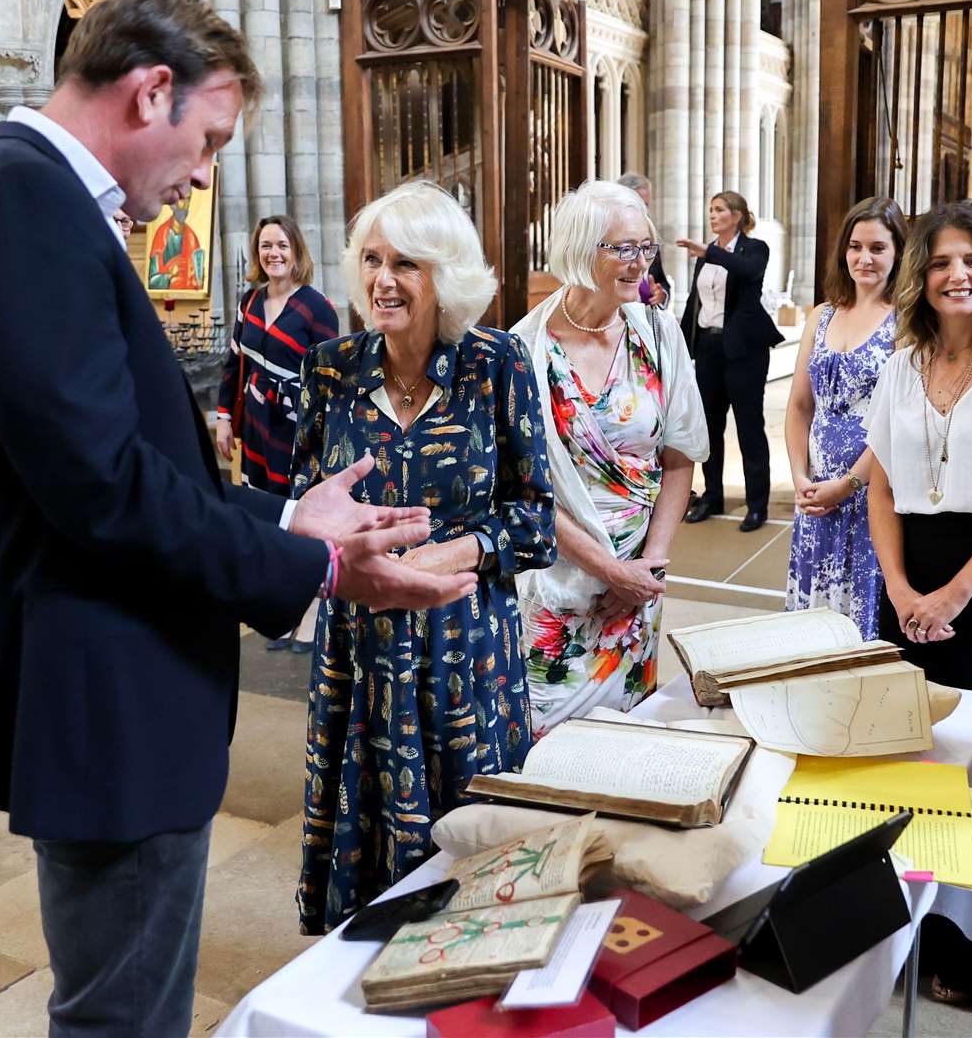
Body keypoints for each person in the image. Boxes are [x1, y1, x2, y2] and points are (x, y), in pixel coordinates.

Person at [0, 0, 476, 1036]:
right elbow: (102, 489)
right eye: (209, 136)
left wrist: (285, 519)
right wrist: (316, 568)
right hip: (105, 697)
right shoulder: (20, 200)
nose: (208, 170)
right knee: (125, 1018)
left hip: (111, 689)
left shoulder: (17, 196)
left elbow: (109, 466)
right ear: (150, 90)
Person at [294, 181, 556, 931]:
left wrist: (446, 557)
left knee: (473, 841)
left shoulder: (496, 364)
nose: (383, 280)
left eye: (406, 263)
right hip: (361, 646)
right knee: (368, 817)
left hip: (464, 647)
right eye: (372, 260)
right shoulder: (330, 370)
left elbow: (535, 519)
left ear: (447, 275)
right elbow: (302, 506)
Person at [512, 181, 708, 734]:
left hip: (640, 585)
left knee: (625, 734)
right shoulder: (523, 350)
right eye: (621, 248)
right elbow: (524, 488)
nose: (638, 263)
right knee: (548, 738)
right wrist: (608, 570)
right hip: (561, 578)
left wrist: (650, 565)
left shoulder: (658, 333)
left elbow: (678, 456)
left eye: (645, 248)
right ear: (579, 247)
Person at [865, 202, 972, 693]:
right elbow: (881, 490)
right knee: (904, 730)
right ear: (921, 277)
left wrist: (956, 595)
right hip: (907, 579)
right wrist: (898, 591)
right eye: (941, 263)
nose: (957, 275)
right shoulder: (900, 367)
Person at [214, 214, 339, 651]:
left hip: (299, 430)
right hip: (256, 427)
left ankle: (309, 614)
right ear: (258, 253)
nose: (274, 253)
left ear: (296, 251)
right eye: (266, 246)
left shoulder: (316, 306)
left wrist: (326, 438)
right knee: (267, 517)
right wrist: (224, 418)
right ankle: (283, 610)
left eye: (282, 245)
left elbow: (331, 378)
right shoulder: (249, 301)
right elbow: (234, 367)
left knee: (300, 515)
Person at [784, 197, 905, 637]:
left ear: (897, 253)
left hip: (868, 493)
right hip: (816, 495)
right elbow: (799, 406)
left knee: (858, 622)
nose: (864, 258)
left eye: (877, 248)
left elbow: (898, 423)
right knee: (811, 624)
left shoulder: (905, 323)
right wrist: (800, 478)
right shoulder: (823, 314)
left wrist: (849, 483)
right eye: (855, 247)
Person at [678, 190, 781, 531]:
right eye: (711, 210)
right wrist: (681, 343)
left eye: (720, 210)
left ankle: (756, 504)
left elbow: (748, 272)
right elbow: (697, 300)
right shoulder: (705, 255)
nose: (713, 215)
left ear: (737, 216)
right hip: (708, 348)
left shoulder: (755, 249)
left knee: (749, 426)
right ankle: (713, 495)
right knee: (709, 426)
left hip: (744, 351)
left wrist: (711, 252)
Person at [615, 172, 670, 309]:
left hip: (645, 320)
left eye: (646, 204)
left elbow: (661, 281)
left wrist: (661, 294)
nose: (644, 211)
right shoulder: (609, 241)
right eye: (639, 204)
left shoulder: (650, 240)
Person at [146, 190, 205, 290]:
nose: (186, 205)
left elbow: (198, 281)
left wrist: (200, 279)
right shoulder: (161, 235)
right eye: (182, 199)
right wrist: (169, 274)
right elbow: (152, 282)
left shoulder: (192, 238)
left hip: (189, 300)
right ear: (172, 203)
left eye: (188, 199)